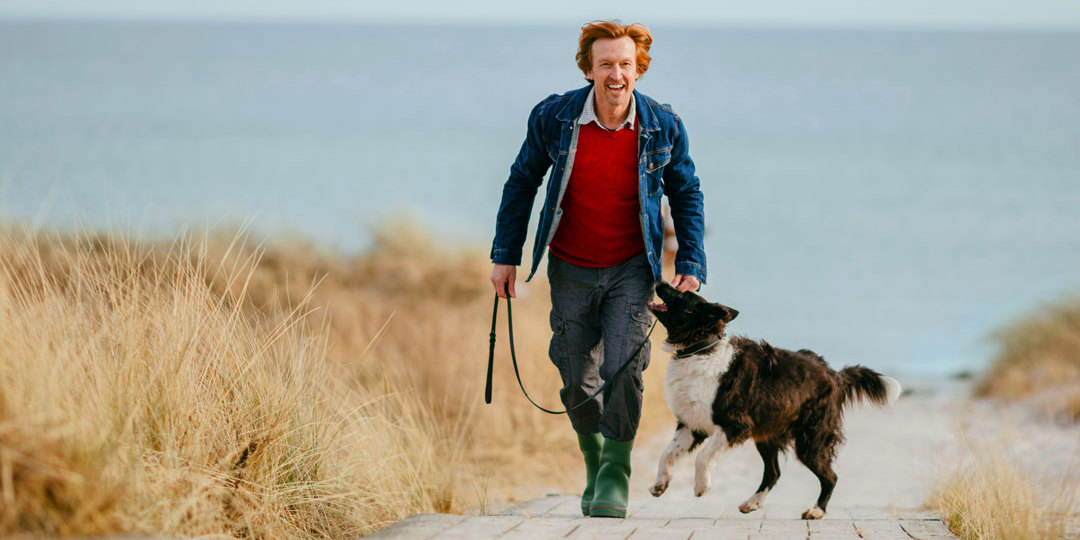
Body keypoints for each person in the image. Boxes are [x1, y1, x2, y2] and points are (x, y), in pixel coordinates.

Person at [489, 20, 707, 518]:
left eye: (625, 65)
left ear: (639, 70)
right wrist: (506, 255)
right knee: (573, 370)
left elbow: (687, 191)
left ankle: (616, 471)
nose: (615, 74)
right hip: (570, 265)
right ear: (588, 68)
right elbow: (521, 182)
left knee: (624, 367)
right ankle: (594, 460)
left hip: (634, 267)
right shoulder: (554, 117)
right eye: (605, 63)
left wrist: (691, 260)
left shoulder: (663, 125)